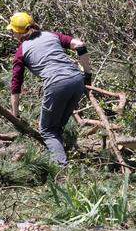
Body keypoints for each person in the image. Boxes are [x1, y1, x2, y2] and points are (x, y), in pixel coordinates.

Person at [6, 11, 92, 167]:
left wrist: (15, 114)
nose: (12, 34)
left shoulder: (21, 51)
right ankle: (60, 154)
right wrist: (87, 75)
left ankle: (60, 169)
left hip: (56, 85)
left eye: (12, 31)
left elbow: (16, 86)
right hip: (77, 80)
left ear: (18, 32)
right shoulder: (52, 35)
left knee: (47, 130)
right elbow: (79, 45)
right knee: (56, 127)